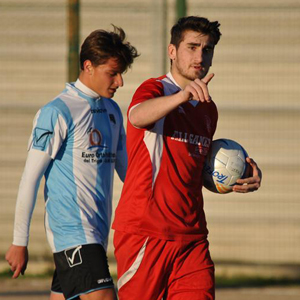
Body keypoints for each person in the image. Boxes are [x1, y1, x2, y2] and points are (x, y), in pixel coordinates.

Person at [112, 16, 262, 300]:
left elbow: (195, 169)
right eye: (192, 47)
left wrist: (241, 175)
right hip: (147, 232)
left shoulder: (208, 109)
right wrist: (181, 97)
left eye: (207, 49)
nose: (200, 56)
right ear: (172, 51)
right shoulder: (155, 89)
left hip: (192, 237)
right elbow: (136, 116)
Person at [5, 26, 139, 300]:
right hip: (73, 235)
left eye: (121, 73)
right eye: (112, 73)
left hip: (95, 238)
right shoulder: (57, 112)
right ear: (88, 66)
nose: (120, 82)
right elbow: (29, 179)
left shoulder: (113, 111)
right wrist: (20, 241)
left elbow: (131, 173)